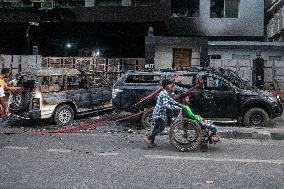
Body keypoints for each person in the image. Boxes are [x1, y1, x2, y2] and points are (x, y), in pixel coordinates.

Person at [144, 79, 182, 148]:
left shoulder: (165, 92)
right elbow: (166, 105)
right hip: (159, 114)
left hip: (158, 113)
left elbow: (170, 100)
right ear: (166, 86)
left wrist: (178, 104)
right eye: (170, 84)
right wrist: (175, 107)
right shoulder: (164, 93)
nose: (171, 86)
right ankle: (148, 137)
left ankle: (151, 141)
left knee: (156, 127)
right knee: (161, 128)